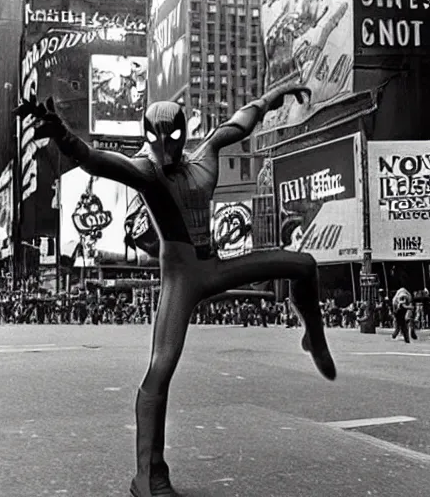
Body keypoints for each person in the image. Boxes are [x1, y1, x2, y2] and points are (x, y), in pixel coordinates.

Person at [17, 83, 336, 497]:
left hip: (215, 266)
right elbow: (95, 160)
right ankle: (148, 475)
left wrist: (275, 94)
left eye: (171, 136)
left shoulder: (203, 157)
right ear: (147, 134)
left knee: (304, 265)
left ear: (184, 132)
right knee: (160, 370)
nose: (164, 146)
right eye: (156, 137)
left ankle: (312, 334)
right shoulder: (145, 170)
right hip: (182, 278)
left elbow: (240, 122)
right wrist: (59, 133)